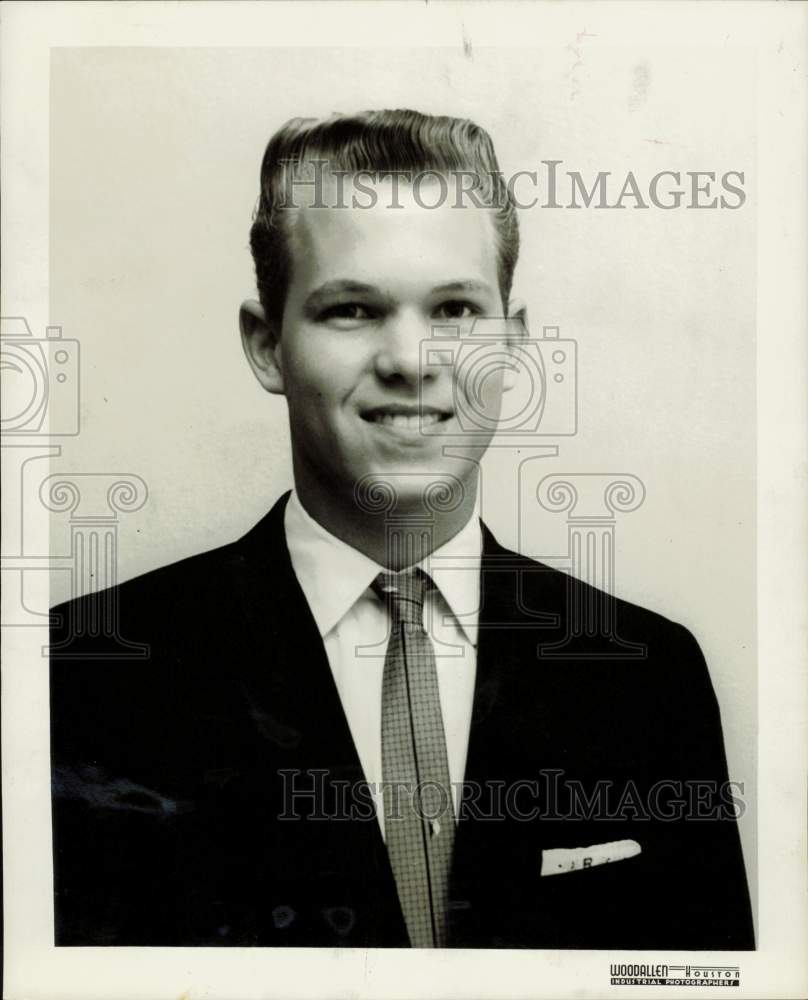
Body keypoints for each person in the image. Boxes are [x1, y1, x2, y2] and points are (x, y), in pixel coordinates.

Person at [50, 109, 754, 949]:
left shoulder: (648, 675)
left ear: (514, 343)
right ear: (267, 343)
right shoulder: (83, 679)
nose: (412, 358)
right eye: (351, 309)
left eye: (455, 308)